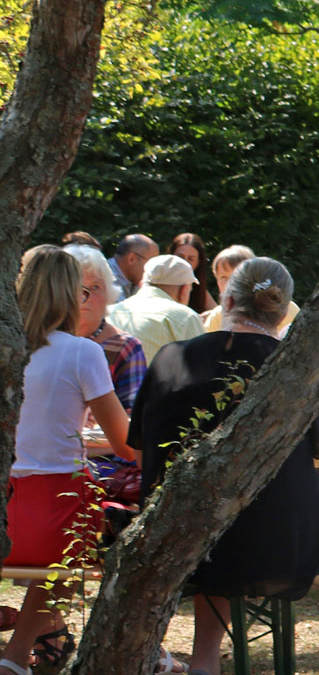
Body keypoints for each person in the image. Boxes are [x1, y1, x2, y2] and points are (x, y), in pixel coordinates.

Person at [129, 257, 319, 675]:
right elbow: (315, 450)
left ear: (226, 300)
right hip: (279, 532)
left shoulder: (172, 358)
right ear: (284, 312)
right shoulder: (295, 368)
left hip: (178, 527)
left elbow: (143, 451)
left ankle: (205, 662)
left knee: (221, 529)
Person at [3, 247, 135, 675]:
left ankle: (42, 643)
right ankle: (16, 655)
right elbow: (126, 445)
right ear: (70, 296)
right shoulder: (81, 352)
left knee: (58, 553)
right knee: (69, 555)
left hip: (6, 504)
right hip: (52, 507)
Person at [63, 244, 147, 411]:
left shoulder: (125, 347)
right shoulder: (41, 340)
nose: (85, 297)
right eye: (76, 287)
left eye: (95, 287)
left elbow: (132, 414)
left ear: (109, 293)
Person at [108, 254, 206, 365]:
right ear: (184, 290)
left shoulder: (110, 312)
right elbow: (202, 369)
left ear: (142, 284)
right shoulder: (186, 317)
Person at [201, 245, 301, 335]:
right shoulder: (217, 316)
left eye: (235, 277)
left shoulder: (287, 308)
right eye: (223, 277)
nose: (229, 284)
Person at [169, 233, 215, 313]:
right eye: (180, 257)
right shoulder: (159, 282)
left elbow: (218, 316)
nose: (184, 263)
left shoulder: (200, 290)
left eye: (191, 259)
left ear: (198, 263)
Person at [108, 233, 158, 300]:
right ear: (132, 259)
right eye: (151, 263)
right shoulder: (104, 279)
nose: (153, 270)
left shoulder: (134, 280)